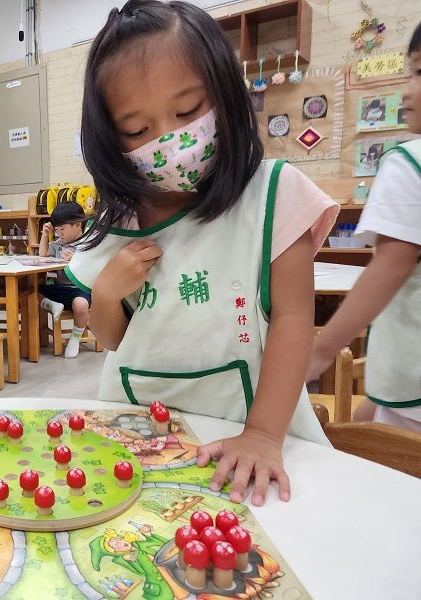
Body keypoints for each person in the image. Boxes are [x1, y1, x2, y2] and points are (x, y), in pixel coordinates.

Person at [66, 0, 339, 506]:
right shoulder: (121, 217)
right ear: (110, 138)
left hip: (251, 437)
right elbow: (112, 339)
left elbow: (295, 319)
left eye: (188, 111)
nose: (170, 140)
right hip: (138, 438)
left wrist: (262, 435)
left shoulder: (274, 195)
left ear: (225, 94)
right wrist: (104, 295)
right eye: (137, 130)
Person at [308, 23, 421, 433]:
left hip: (412, 382)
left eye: (419, 73)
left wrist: (320, 351)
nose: (406, 92)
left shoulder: (409, 163)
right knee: (365, 418)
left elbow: (391, 265)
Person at [39, 202, 91, 358]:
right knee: (33, 292)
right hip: (60, 288)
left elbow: (95, 267)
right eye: (56, 229)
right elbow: (42, 255)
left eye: (62, 229)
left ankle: (75, 339)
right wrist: (44, 234)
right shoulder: (59, 243)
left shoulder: (89, 242)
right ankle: (53, 305)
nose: (59, 233)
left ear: (78, 224)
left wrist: (77, 259)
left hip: (80, 289)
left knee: (80, 305)